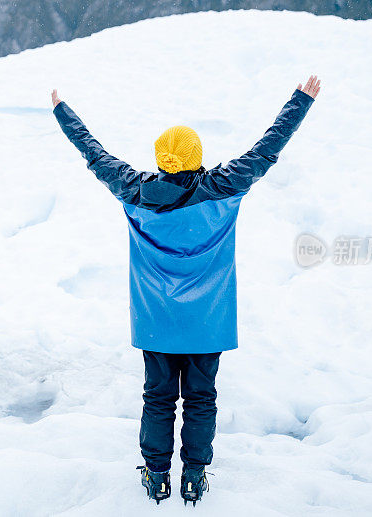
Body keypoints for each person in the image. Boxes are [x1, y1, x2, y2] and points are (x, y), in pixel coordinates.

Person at [51, 76, 320, 505]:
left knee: (157, 399)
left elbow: (94, 153)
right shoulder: (223, 188)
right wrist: (301, 102)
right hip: (207, 322)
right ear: (196, 159)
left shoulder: (134, 190)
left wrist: (63, 111)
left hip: (156, 321)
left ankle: (156, 476)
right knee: (201, 399)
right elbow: (268, 148)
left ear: (162, 160)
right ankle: (194, 476)